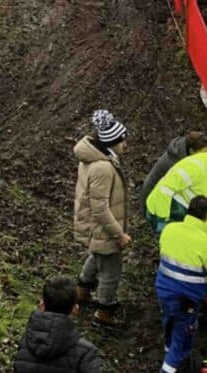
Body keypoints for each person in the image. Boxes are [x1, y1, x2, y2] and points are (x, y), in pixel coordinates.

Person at [152, 196, 207, 373]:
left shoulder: (170, 229)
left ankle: (168, 353)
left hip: (164, 291)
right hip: (188, 300)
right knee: (182, 344)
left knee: (170, 323)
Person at [73, 109, 131, 326]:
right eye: (122, 141)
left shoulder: (93, 158)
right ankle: (104, 313)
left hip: (94, 227)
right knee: (111, 271)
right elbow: (100, 208)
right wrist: (119, 234)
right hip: (103, 227)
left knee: (97, 255)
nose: (125, 145)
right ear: (112, 142)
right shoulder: (103, 168)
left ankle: (82, 290)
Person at [145, 142, 207, 235]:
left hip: (181, 211)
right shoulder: (196, 167)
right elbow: (165, 189)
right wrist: (162, 220)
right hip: (164, 210)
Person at [140, 131, 207, 216]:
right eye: (203, 153)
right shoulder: (177, 163)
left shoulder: (184, 149)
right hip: (153, 195)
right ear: (191, 151)